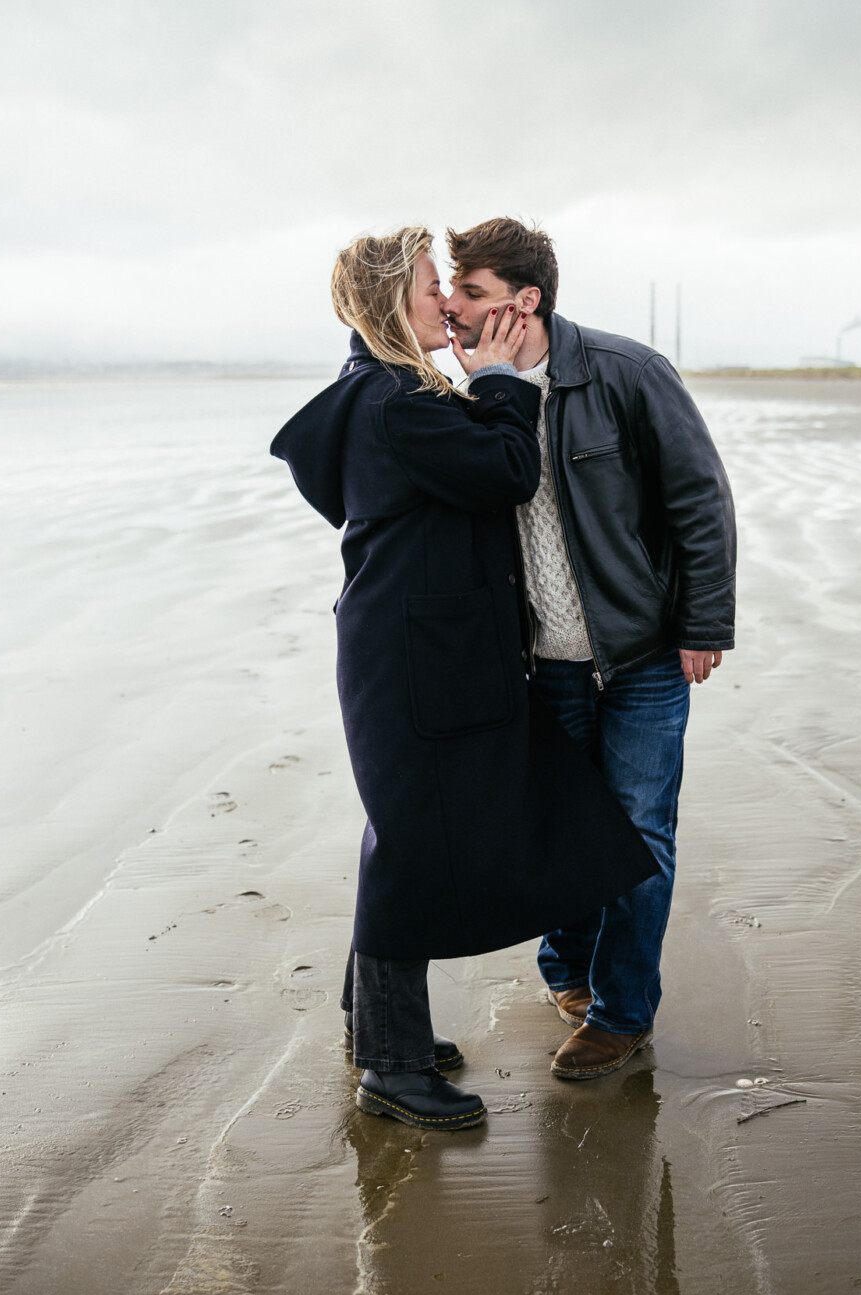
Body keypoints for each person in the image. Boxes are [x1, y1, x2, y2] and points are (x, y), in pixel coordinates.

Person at [269, 228, 656, 1130]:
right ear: (387, 304)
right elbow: (508, 472)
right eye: (431, 286)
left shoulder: (386, 392)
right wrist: (506, 383)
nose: (447, 301)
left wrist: (478, 388)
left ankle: (377, 1024)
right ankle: (394, 1066)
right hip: (419, 661)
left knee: (408, 834)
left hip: (418, 652)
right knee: (410, 848)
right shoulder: (397, 399)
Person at [441, 219, 736, 1080]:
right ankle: (567, 971)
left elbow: (699, 500)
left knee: (638, 832)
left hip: (642, 654)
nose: (453, 309)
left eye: (473, 294)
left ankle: (620, 1015)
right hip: (542, 661)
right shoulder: (466, 393)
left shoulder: (627, 373)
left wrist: (705, 624)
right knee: (561, 830)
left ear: (524, 301)